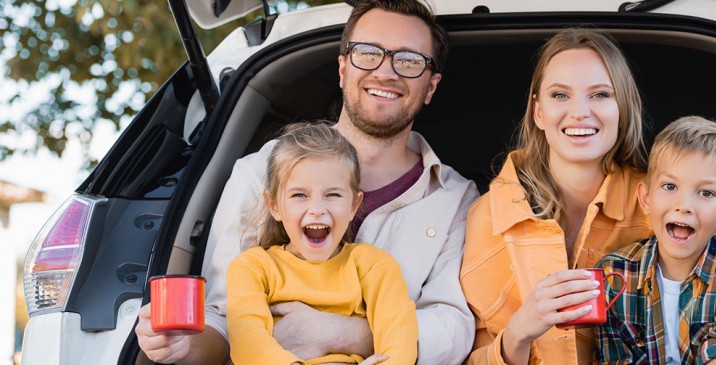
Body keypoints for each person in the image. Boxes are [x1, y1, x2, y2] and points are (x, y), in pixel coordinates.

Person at [135, 1, 479, 364]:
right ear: (343, 68)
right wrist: (184, 344)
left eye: (409, 60)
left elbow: (453, 327)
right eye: (368, 52)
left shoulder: (454, 197)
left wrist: (344, 333)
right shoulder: (259, 171)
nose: (385, 71)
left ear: (430, 86)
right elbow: (222, 317)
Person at [460, 28, 716, 365]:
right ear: (538, 111)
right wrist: (519, 334)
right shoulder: (487, 217)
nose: (580, 111)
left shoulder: (667, 205)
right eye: (560, 95)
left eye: (600, 94)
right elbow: (467, 355)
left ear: (623, 108)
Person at [227, 122, 417, 364]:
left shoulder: (373, 265)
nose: (316, 209)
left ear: (353, 205)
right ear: (274, 205)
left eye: (332, 195)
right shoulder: (253, 268)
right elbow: (247, 338)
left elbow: (399, 333)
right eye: (299, 195)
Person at [595, 116, 716, 365]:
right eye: (669, 186)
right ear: (646, 198)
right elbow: (615, 358)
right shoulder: (614, 272)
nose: (684, 206)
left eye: (706, 193)